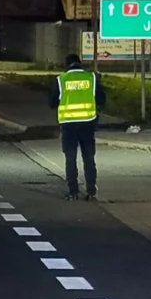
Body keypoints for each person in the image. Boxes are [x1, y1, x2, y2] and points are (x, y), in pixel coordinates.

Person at [48, 54, 107, 201]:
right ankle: (91, 191)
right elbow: (102, 99)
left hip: (68, 125)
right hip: (88, 124)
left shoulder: (61, 80)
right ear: (80, 64)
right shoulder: (91, 78)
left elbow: (52, 103)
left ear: (67, 65)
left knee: (70, 158)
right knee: (88, 158)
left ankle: (73, 192)